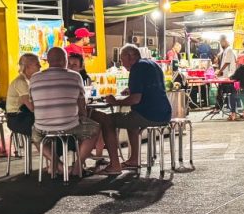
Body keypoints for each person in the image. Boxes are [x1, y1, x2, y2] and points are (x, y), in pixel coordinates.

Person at [99, 44, 173, 174]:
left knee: (107, 120)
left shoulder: (137, 68)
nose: (122, 64)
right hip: (165, 113)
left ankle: (114, 165)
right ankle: (133, 159)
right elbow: (149, 88)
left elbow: (135, 100)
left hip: (148, 114)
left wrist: (115, 101)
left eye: (122, 59)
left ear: (129, 56)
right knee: (131, 121)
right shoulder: (152, 64)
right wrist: (131, 90)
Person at [29, 46, 100, 177]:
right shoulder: (75, 76)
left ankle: (58, 165)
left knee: (35, 136)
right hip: (70, 126)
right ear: (65, 60)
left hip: (43, 127)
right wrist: (82, 117)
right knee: (94, 129)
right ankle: (77, 167)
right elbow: (81, 106)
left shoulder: (34, 78)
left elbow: (33, 104)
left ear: (48, 61)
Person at [6, 53, 40, 135]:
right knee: (43, 128)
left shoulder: (28, 80)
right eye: (37, 64)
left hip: (22, 115)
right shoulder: (21, 82)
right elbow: (31, 107)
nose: (40, 66)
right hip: (17, 119)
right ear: (27, 67)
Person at [215, 35, 240, 119]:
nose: (220, 44)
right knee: (220, 91)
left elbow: (227, 62)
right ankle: (218, 108)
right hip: (226, 77)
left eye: (221, 42)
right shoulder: (225, 51)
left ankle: (232, 112)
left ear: (224, 41)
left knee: (231, 94)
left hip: (230, 76)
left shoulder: (229, 50)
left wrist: (220, 71)